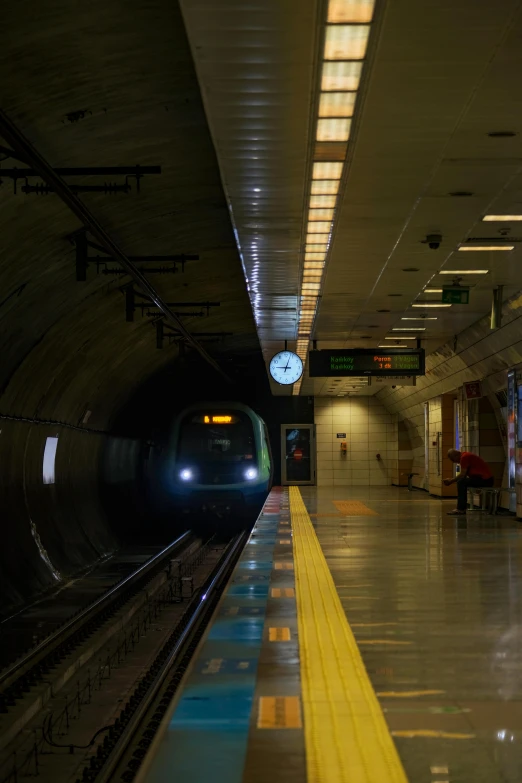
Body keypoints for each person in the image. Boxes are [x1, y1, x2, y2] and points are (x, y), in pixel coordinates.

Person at [443, 448, 494, 515]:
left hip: (485, 480)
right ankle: (461, 508)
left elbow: (462, 474)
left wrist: (451, 481)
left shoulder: (464, 457)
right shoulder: (466, 455)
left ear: (456, 455)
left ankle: (461, 509)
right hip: (486, 479)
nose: (454, 462)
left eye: (453, 459)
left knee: (461, 482)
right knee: (462, 482)